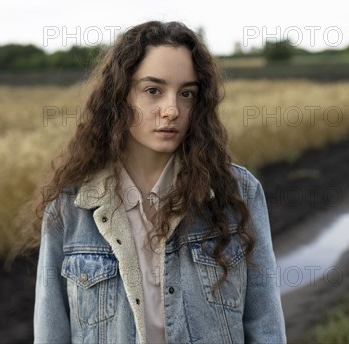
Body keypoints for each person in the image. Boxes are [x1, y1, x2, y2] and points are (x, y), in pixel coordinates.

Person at [31, 21, 286, 343]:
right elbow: (51, 332)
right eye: (153, 90)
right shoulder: (70, 205)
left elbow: (265, 326)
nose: (171, 110)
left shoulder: (238, 192)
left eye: (187, 94)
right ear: (120, 96)